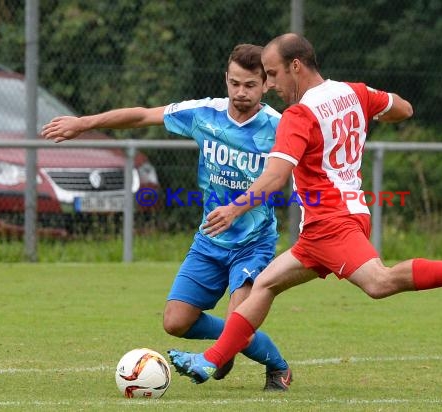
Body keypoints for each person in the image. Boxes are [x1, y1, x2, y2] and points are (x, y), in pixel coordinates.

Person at [166, 33, 442, 387]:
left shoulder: (299, 116)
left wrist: (233, 209)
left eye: (274, 74)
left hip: (331, 219)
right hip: (341, 216)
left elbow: (276, 177)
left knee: (379, 282)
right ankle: (211, 359)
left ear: (296, 66)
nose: (271, 84)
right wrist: (366, 118)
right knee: (265, 284)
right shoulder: (354, 93)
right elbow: (403, 108)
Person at [41, 44, 293, 391]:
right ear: (225, 79)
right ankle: (230, 344)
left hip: (253, 243)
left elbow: (283, 179)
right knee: (176, 321)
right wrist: (85, 123)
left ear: (265, 84)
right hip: (209, 238)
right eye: (234, 83)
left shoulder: (280, 127)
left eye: (250, 85)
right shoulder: (204, 113)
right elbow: (143, 115)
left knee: (241, 317)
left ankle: (277, 367)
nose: (240, 92)